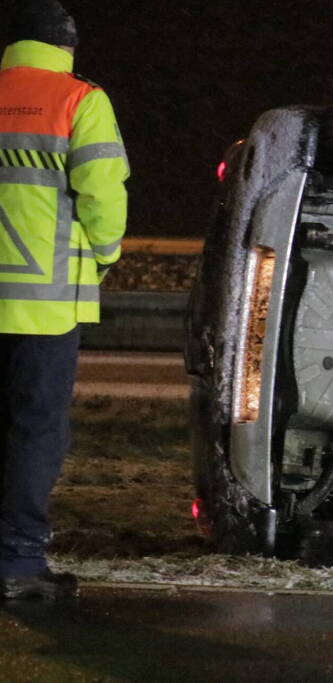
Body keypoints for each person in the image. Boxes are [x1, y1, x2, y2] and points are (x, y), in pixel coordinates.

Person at [0, 0, 129, 601]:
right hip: (46, 303)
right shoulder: (81, 100)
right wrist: (104, 254)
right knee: (34, 430)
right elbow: (102, 194)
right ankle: (19, 563)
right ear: (67, 47)